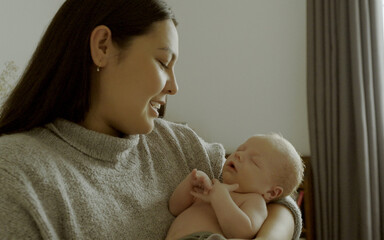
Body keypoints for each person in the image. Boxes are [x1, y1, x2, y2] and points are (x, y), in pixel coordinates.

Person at [0, 0, 302, 239]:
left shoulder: (180, 144)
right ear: (102, 47)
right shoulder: (16, 174)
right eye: (162, 62)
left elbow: (277, 197)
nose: (174, 86)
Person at [166, 133, 304, 240]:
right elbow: (174, 208)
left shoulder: (254, 201)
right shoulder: (213, 187)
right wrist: (189, 184)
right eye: (240, 149)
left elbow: (241, 231)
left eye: (254, 161)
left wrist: (220, 199)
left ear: (272, 193)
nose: (239, 155)